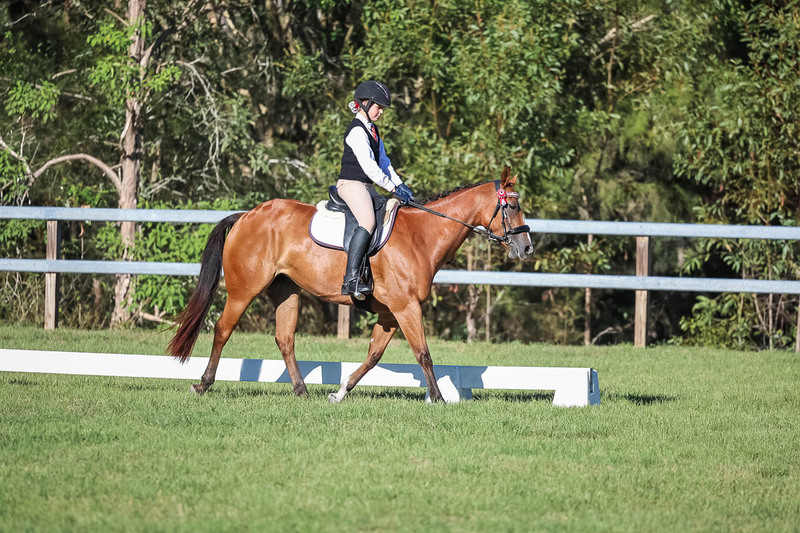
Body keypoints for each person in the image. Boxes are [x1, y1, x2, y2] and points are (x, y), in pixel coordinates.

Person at [337, 80, 415, 299]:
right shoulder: (356, 131)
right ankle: (351, 279)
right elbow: (370, 168)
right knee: (368, 221)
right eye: (378, 106)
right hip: (351, 185)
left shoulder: (373, 131)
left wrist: (400, 185)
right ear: (364, 103)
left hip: (366, 187)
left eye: (382, 108)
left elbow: (384, 162)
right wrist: (391, 188)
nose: (380, 111)